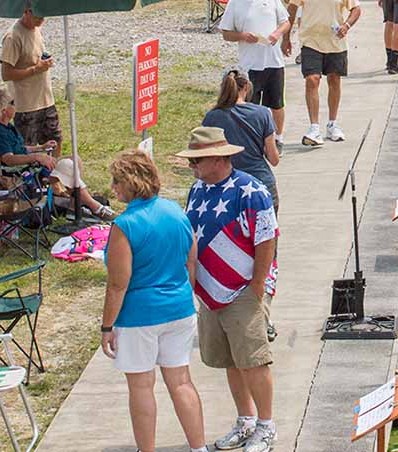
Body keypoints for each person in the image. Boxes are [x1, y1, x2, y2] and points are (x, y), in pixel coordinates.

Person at [179, 127, 278, 452]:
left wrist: (258, 285)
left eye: (197, 160)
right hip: (210, 292)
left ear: (218, 158)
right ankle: (245, 419)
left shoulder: (251, 190)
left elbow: (267, 238)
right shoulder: (197, 189)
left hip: (243, 290)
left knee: (253, 359)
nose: (192, 166)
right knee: (231, 361)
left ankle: (266, 424)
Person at [101, 152, 206, 452]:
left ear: (131, 183)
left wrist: (107, 326)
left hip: (139, 317)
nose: (113, 188)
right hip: (180, 308)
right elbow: (191, 262)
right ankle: (198, 447)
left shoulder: (125, 225)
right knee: (181, 382)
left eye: (117, 182)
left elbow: (118, 284)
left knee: (141, 387)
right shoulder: (176, 212)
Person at [283, 0, 360, 146]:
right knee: (312, 80)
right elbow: (291, 9)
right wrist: (286, 37)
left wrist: (347, 25)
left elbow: (355, 9)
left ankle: (332, 123)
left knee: (334, 80)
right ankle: (314, 127)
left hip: (335, 41)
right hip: (310, 39)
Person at [218, 0, 290, 142]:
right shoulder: (235, 3)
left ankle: (278, 138)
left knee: (277, 103)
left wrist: (277, 34)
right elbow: (226, 33)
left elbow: (286, 22)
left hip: (274, 61)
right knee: (250, 105)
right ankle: (253, 138)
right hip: (249, 64)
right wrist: (242, 35)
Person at [203, 71, 280, 205]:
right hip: (260, 183)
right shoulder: (262, 114)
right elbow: (274, 159)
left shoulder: (212, 117)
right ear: (247, 87)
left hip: (225, 186)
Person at [0, 4, 63, 150]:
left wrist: (44, 63)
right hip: (25, 105)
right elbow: (6, 74)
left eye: (44, 16)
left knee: (56, 140)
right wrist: (35, 69)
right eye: (38, 17)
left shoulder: (36, 29)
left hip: (46, 100)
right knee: (27, 148)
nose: (42, 20)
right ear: (26, 12)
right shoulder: (13, 37)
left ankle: (52, 171)